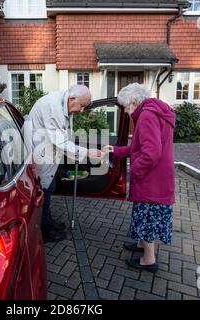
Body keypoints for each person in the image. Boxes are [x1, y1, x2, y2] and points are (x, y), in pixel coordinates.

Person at [103, 83, 176, 272]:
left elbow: (150, 153)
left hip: (151, 178)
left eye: (126, 107)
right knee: (145, 214)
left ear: (134, 101)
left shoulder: (146, 116)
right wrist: (117, 150)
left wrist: (134, 170)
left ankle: (148, 260)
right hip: (159, 176)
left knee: (147, 216)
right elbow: (140, 147)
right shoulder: (156, 111)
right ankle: (142, 245)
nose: (126, 112)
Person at [28, 85, 103, 243]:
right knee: (44, 191)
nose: (81, 111)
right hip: (41, 155)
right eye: (81, 106)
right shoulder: (52, 106)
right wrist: (87, 152)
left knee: (51, 187)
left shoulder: (65, 104)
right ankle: (45, 229)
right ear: (72, 98)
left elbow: (63, 135)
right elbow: (60, 142)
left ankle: (48, 221)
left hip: (50, 155)